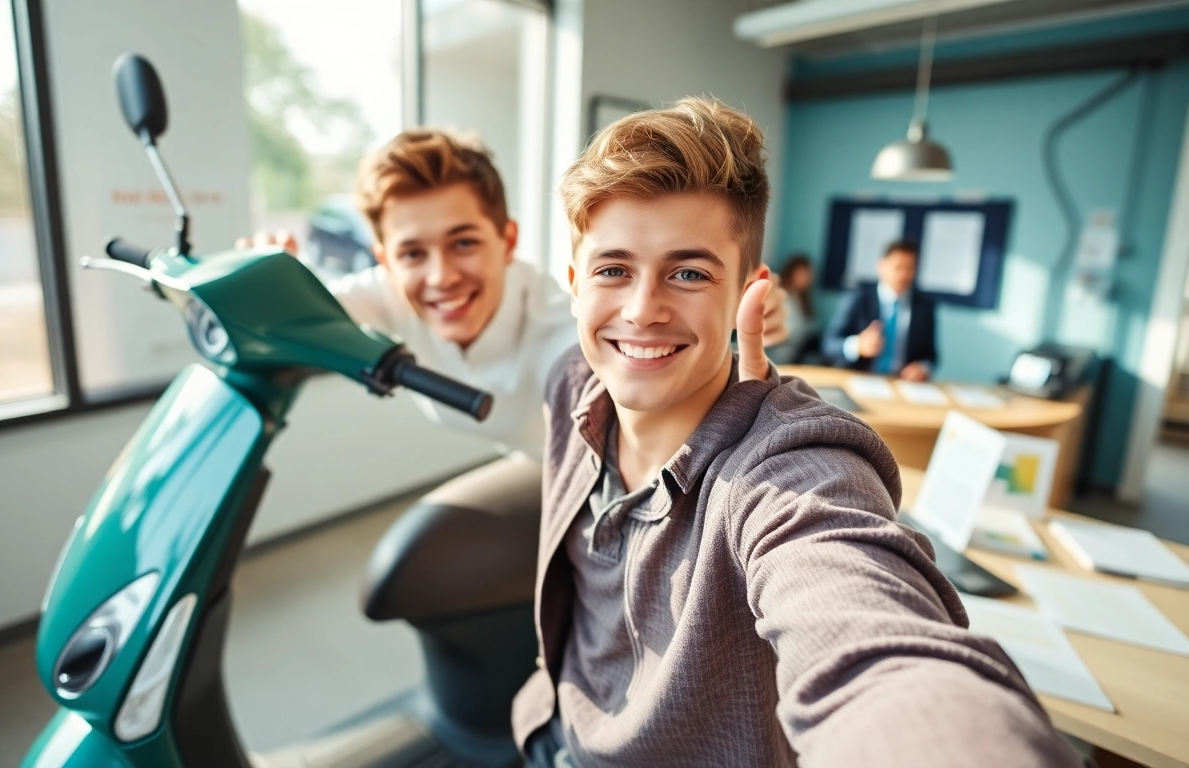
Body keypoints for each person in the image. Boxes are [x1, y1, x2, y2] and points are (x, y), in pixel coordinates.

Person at [515, 97, 1079, 768]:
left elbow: (874, 646)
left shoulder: (788, 466)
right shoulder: (572, 381)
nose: (643, 310)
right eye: (613, 270)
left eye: (689, 273)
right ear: (576, 285)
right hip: (548, 733)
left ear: (748, 296)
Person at [237, 129, 790, 524]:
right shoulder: (386, 294)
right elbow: (278, 317)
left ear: (506, 240)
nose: (441, 277)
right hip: (537, 464)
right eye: (412, 253)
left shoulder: (554, 327)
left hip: (610, 476)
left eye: (464, 242)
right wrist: (258, 279)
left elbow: (633, 373)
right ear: (385, 259)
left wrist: (735, 309)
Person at [822, 240, 937, 381]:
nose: (904, 275)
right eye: (898, 267)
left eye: (910, 268)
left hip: (902, 383)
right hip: (861, 378)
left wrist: (923, 367)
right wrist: (857, 345)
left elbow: (930, 355)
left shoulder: (925, 306)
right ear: (882, 266)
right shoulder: (858, 298)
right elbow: (828, 344)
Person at [765, 253, 817, 365]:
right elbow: (790, 330)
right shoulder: (782, 296)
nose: (808, 278)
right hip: (779, 356)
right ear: (792, 273)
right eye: (804, 273)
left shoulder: (802, 299)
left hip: (796, 354)